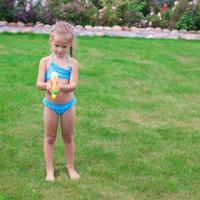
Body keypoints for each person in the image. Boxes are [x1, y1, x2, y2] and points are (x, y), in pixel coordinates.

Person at [36, 21, 80, 181]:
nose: (60, 50)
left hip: (68, 106)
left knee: (68, 137)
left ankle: (70, 167)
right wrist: (48, 85)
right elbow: (38, 84)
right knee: (49, 137)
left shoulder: (73, 63)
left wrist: (60, 88)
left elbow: (73, 85)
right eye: (57, 45)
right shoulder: (45, 62)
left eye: (64, 46)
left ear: (70, 45)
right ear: (50, 41)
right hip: (51, 106)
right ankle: (50, 170)